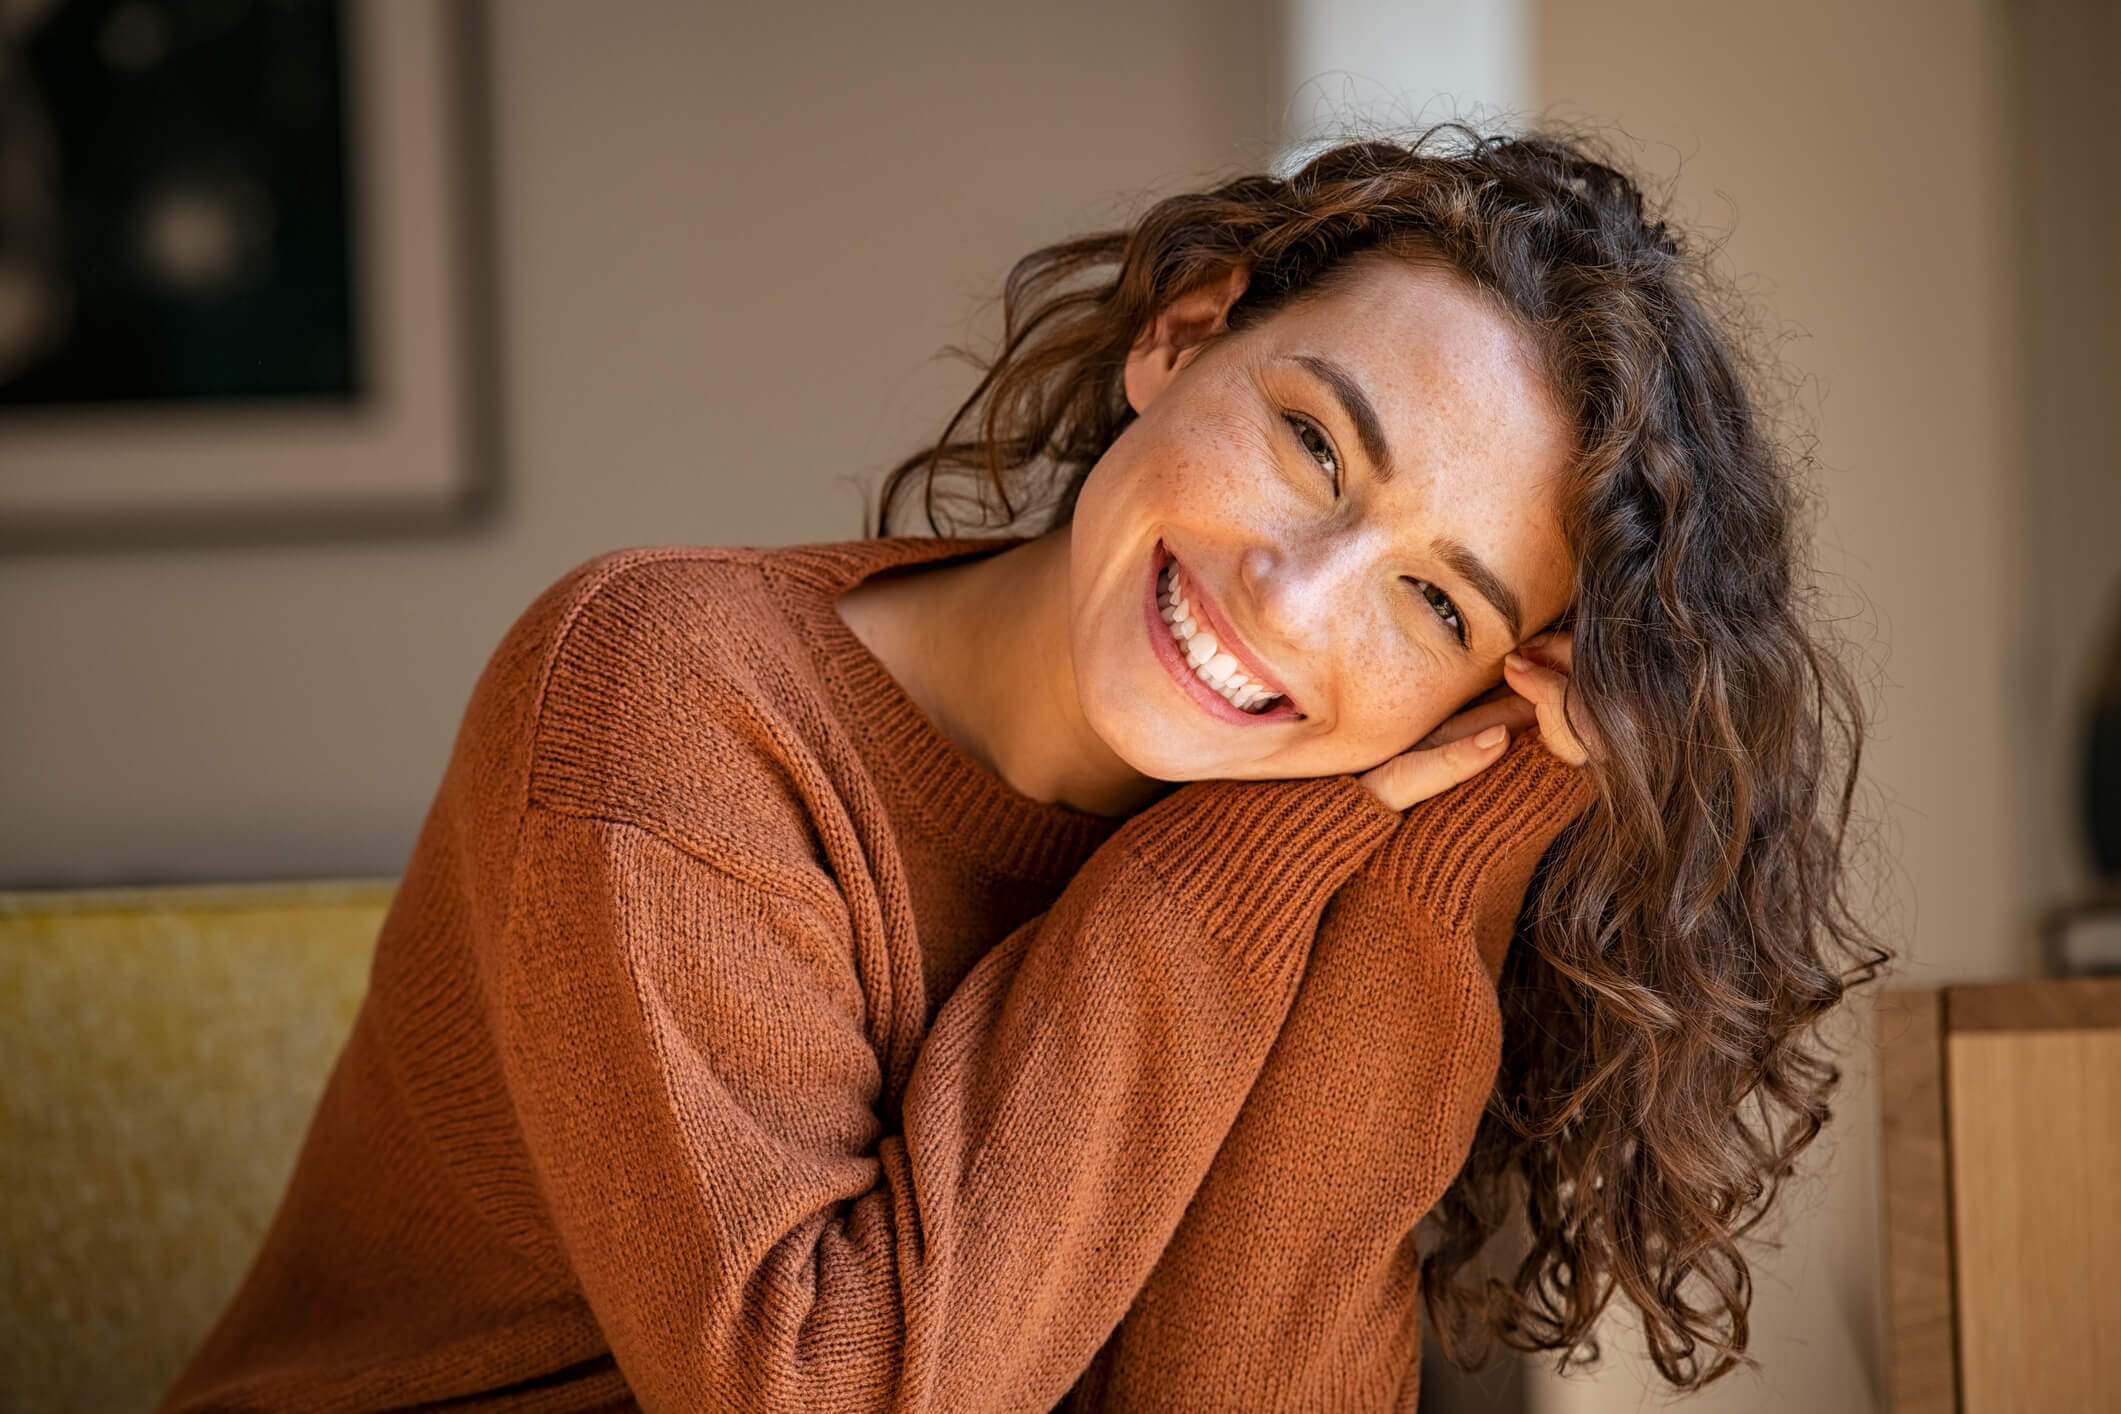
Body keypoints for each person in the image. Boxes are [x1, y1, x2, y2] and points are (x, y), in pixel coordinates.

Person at [159, 126, 1884, 1413]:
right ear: (1181, 335)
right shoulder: (666, 693)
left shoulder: (1322, 839)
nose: (1288, 602)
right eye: (1306, 442)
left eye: (1434, 601)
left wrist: (1452, 845)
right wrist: (1251, 856)